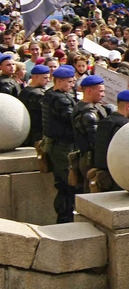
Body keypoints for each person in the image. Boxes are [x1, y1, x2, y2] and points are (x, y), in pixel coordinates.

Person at [41, 66, 78, 223]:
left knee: (63, 185)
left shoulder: (50, 95)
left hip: (54, 145)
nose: (72, 84)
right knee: (68, 184)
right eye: (69, 82)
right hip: (62, 147)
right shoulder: (61, 99)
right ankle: (65, 219)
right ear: (59, 81)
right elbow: (72, 119)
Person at [91, 90, 129, 192]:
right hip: (117, 177)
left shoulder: (105, 121)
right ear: (128, 106)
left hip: (102, 175)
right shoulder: (124, 126)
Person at [72, 75, 113, 194]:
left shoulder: (93, 107)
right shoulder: (87, 113)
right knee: (93, 191)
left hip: (91, 158)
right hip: (91, 159)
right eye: (100, 91)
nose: (103, 94)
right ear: (89, 91)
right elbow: (96, 140)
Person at [19, 64, 50, 148]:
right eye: (45, 78)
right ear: (36, 77)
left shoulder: (24, 91)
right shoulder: (37, 94)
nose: (48, 80)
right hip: (36, 131)